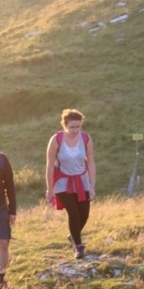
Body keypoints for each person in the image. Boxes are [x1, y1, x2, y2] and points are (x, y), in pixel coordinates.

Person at [46, 109, 96, 259]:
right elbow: (49, 165)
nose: (75, 130)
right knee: (73, 213)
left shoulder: (86, 139)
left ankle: (73, 235)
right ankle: (78, 247)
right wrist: (49, 189)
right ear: (65, 125)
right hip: (62, 182)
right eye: (72, 127)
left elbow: (91, 163)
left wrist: (92, 186)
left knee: (84, 214)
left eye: (78, 126)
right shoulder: (56, 139)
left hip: (82, 181)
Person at [0, 151, 17, 289]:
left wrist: (12, 211)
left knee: (4, 243)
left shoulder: (2, 159)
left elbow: (10, 185)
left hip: (1, 207)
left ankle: (0, 279)